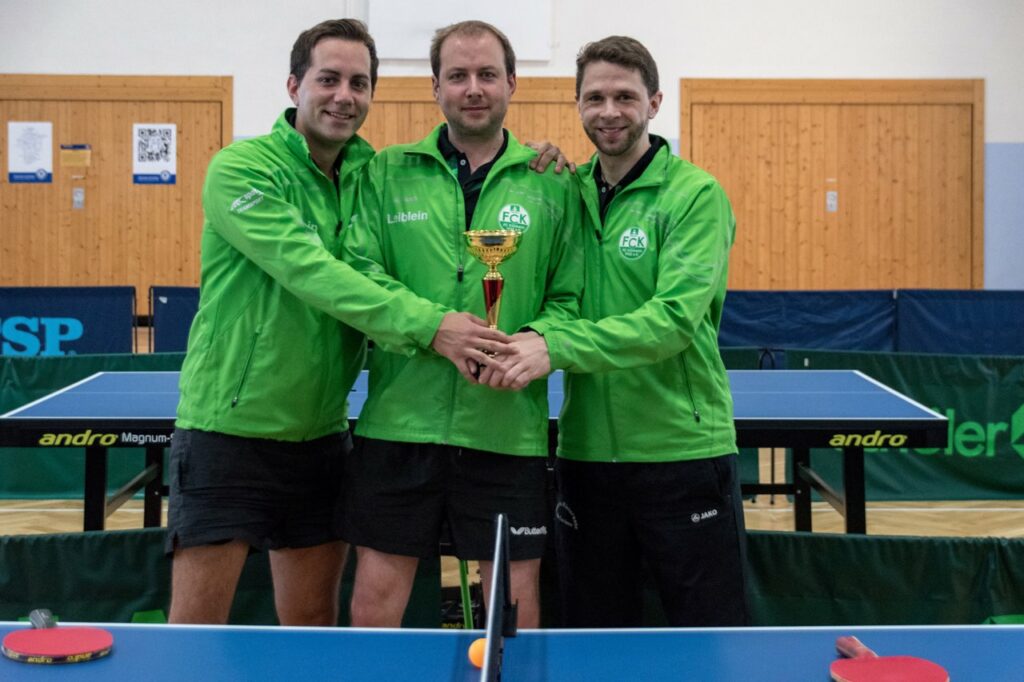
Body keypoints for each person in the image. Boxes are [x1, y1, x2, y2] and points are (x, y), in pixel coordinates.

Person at [166, 18, 515, 626]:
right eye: (328, 79)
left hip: (324, 438)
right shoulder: (241, 170)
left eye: (359, 82)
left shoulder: (371, 177)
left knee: (313, 633)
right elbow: (315, 273)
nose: (343, 96)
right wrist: (434, 326)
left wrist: (543, 162)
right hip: (229, 435)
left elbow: (450, 192)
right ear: (294, 85)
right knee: (194, 636)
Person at [483, 36, 749, 627]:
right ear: (577, 105)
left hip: (682, 452)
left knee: (707, 631)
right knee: (594, 630)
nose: (609, 111)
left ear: (653, 102)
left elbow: (673, 321)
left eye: (625, 97)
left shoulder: (694, 195)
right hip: (585, 456)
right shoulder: (565, 190)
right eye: (595, 97)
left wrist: (554, 346)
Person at [339, 20, 583, 628]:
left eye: (486, 75)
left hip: (505, 428)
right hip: (399, 424)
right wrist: (435, 329)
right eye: (457, 75)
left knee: (514, 602)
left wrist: (535, 343)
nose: (473, 88)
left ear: (512, 83)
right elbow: (360, 275)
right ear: (435, 87)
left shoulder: (554, 184)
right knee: (375, 598)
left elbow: (570, 298)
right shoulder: (385, 172)